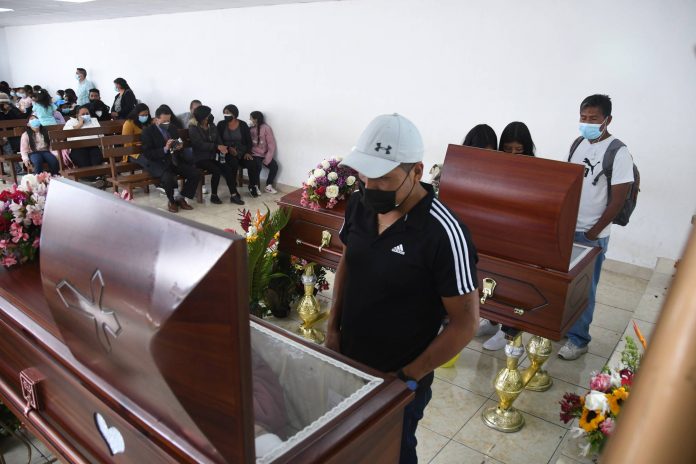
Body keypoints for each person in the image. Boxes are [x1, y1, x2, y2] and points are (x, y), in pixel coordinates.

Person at [327, 113, 479, 464]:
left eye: (385, 178)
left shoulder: (444, 233)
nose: (372, 186)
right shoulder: (360, 205)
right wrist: (333, 331)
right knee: (346, 448)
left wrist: (405, 378)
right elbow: (349, 261)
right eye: (366, 175)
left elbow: (465, 323)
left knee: (391, 453)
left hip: (400, 379)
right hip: (347, 360)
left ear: (417, 172)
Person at [559, 94, 635, 360]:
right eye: (583, 117)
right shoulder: (578, 143)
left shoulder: (618, 151)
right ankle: (564, 329)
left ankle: (579, 340)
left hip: (593, 234)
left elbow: (618, 199)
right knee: (564, 284)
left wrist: (593, 231)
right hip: (568, 228)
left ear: (607, 120)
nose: (587, 123)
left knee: (584, 289)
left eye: (593, 119)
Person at [139, 105, 200, 213]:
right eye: (164, 121)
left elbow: (178, 142)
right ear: (156, 120)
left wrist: (179, 146)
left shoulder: (172, 128)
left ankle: (181, 197)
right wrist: (165, 148)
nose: (167, 123)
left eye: (168, 120)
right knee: (168, 177)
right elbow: (148, 153)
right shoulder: (147, 132)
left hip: (173, 160)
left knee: (195, 173)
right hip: (158, 163)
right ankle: (172, 201)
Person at [189, 105, 245, 205]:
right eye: (208, 114)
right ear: (203, 117)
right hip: (200, 158)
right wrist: (217, 147)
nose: (211, 116)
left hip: (213, 156)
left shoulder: (212, 126)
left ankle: (233, 195)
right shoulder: (193, 128)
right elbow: (199, 145)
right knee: (216, 170)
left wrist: (223, 148)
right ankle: (214, 195)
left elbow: (218, 140)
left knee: (227, 168)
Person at [216, 104, 260, 197]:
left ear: (234, 113)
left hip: (242, 152)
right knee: (233, 163)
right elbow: (218, 141)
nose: (225, 114)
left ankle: (252, 186)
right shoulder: (221, 124)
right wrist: (228, 148)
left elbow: (248, 141)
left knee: (252, 163)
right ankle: (233, 189)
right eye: (224, 113)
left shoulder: (243, 125)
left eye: (228, 113)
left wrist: (247, 152)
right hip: (227, 152)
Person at [63, 106, 105, 181]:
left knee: (96, 159)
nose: (86, 115)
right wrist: (79, 124)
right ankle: (94, 179)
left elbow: (101, 134)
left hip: (93, 146)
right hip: (78, 148)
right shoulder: (71, 122)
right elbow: (65, 133)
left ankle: (96, 178)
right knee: (84, 161)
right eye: (83, 114)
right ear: (77, 115)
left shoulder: (93, 120)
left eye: (87, 113)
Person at [249, 111, 279, 194]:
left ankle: (268, 186)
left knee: (274, 166)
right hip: (254, 154)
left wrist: (268, 158)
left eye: (251, 118)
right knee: (257, 167)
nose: (250, 120)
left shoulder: (266, 128)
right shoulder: (250, 128)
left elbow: (271, 144)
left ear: (256, 119)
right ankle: (255, 187)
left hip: (264, 154)